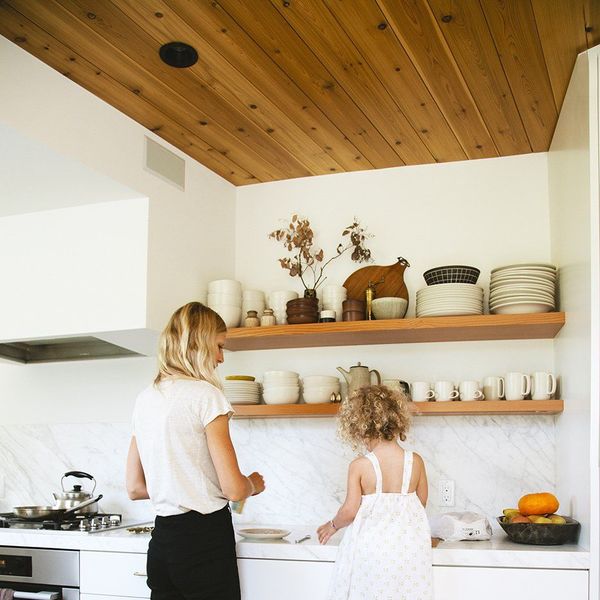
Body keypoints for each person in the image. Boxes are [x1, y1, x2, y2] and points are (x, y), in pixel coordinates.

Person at [126, 301, 265, 600]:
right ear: (198, 345)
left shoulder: (145, 399)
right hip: (204, 543)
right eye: (217, 346)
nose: (221, 357)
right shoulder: (206, 396)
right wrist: (253, 484)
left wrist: (178, 484)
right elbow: (233, 489)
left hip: (162, 544)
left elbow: (135, 488)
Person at [317, 384, 432, 600]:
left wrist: (332, 526)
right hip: (408, 554)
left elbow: (350, 511)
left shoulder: (360, 466)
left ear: (361, 427)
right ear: (397, 420)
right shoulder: (415, 461)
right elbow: (421, 502)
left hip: (371, 554)